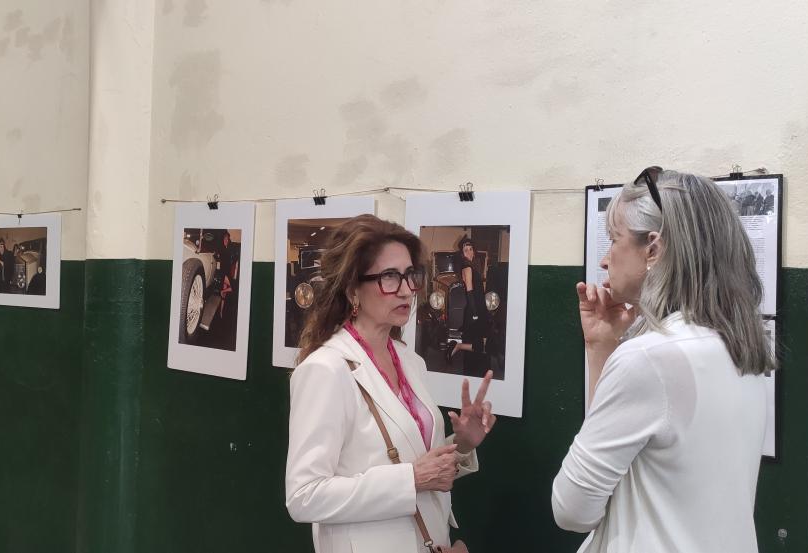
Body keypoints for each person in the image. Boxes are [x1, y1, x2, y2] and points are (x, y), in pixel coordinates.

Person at [552, 167, 776, 552]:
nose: (604, 260)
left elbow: (572, 510)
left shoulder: (648, 357)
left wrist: (611, 351)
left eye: (614, 240)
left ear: (653, 250)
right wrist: (602, 346)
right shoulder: (740, 346)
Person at [286, 214, 497, 553]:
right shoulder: (326, 369)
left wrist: (463, 444)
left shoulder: (410, 361)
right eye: (389, 277)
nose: (406, 290)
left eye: (410, 275)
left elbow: (418, 463)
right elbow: (304, 496)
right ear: (352, 289)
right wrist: (411, 479)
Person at [445, 237, 490, 376]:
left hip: (479, 306)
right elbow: (470, 291)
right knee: (479, 345)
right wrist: (475, 313)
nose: (469, 252)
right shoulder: (467, 267)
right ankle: (457, 346)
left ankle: (461, 349)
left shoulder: (473, 266)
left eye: (471, 249)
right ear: (462, 253)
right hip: (474, 309)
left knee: (482, 341)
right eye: (466, 250)